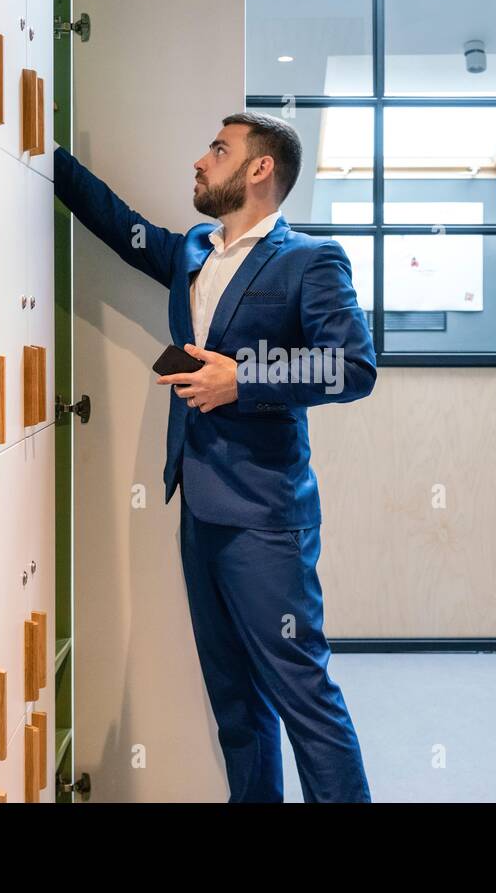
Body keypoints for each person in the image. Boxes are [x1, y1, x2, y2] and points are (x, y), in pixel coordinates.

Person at [53, 111, 376, 802]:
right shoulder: (195, 250)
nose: (201, 161)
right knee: (236, 703)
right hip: (198, 506)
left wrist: (244, 377)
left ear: (260, 169)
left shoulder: (309, 260)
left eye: (219, 150)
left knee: (304, 698)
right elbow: (117, 222)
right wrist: (42, 155)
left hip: (265, 519)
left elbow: (352, 366)